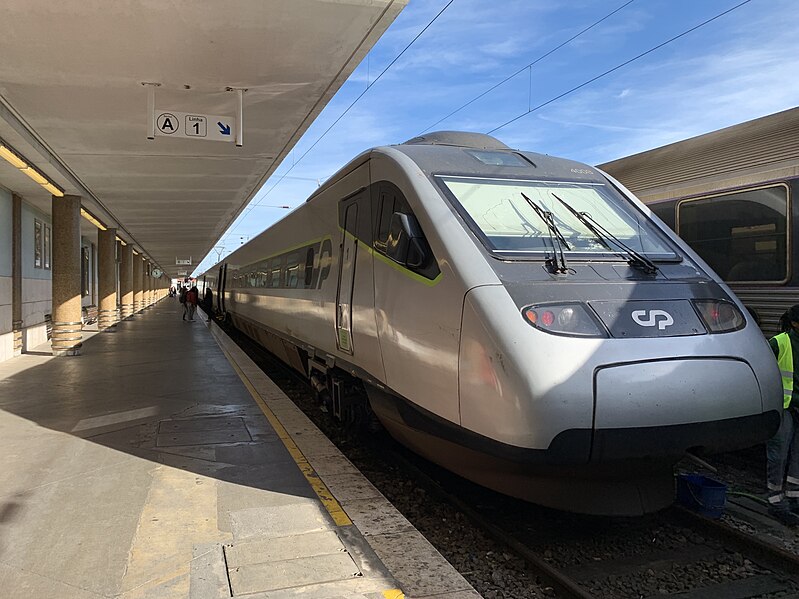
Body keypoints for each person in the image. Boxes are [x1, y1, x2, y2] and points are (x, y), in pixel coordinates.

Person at [767, 305, 799, 526]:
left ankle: (795, 497)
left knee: (797, 457)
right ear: (795, 324)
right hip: (784, 407)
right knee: (779, 454)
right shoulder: (780, 342)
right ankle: (776, 501)